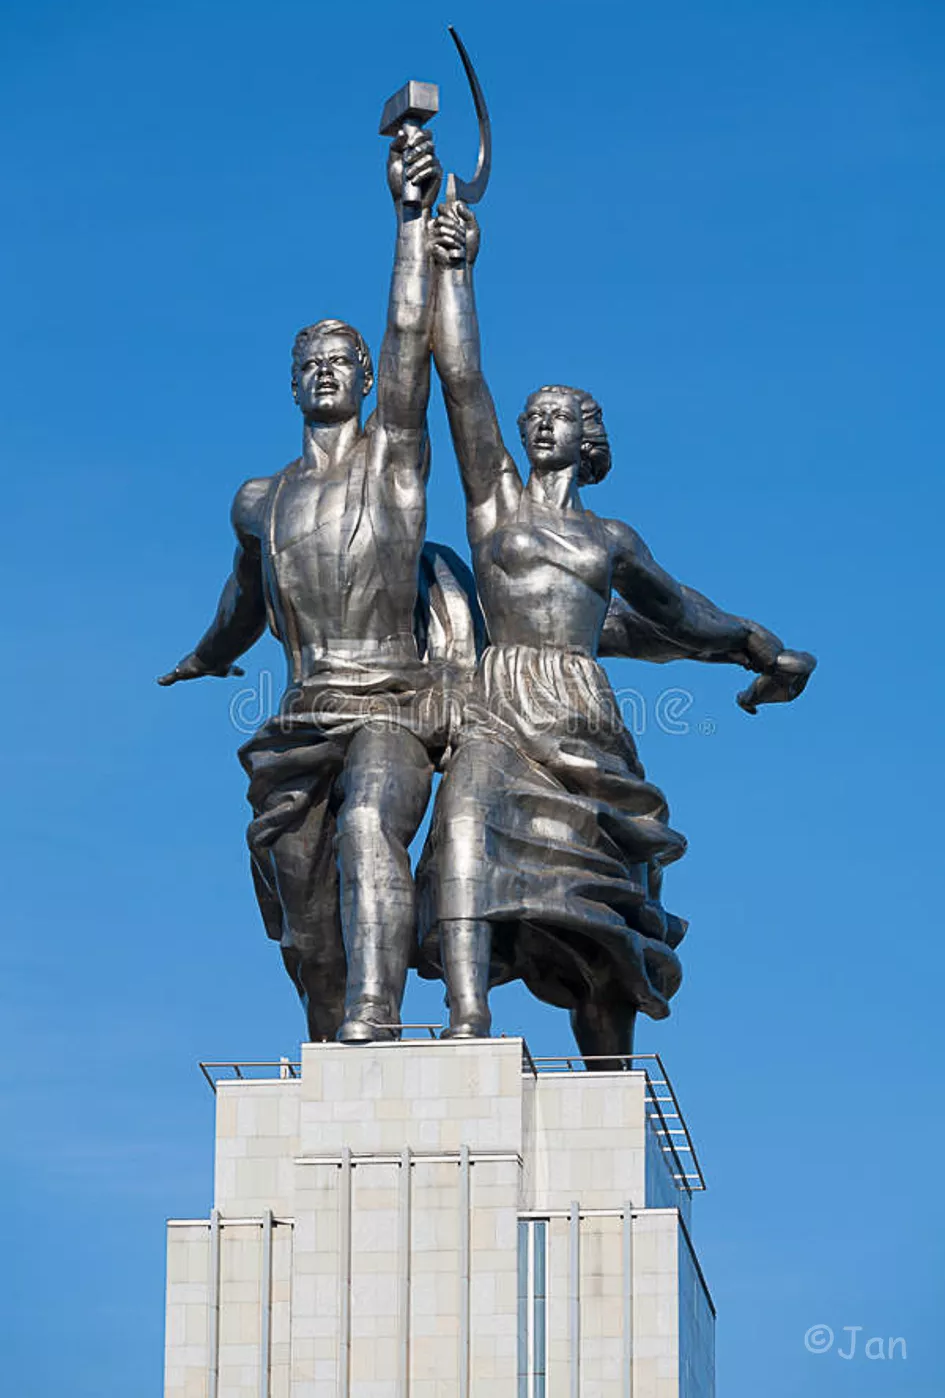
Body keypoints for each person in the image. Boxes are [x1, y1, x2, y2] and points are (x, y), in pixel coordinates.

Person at [418, 201, 814, 1061]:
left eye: (557, 412)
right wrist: (457, 271)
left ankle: (608, 1056)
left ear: (587, 439)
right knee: (462, 817)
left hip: (582, 710)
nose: (537, 421)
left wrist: (758, 648)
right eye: (533, 413)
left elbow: (678, 614)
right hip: (500, 699)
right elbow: (461, 382)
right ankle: (465, 1020)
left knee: (601, 891)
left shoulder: (610, 539)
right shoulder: (496, 507)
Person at [158, 128, 449, 1044]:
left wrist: (408, 220)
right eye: (309, 363)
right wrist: (208, 658)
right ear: (293, 385)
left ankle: (379, 1008)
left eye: (342, 360)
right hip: (299, 712)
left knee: (370, 822)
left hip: (391, 699)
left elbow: (411, 334)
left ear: (366, 381)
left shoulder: (393, 463)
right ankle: (333, 1027)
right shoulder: (260, 499)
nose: (327, 370)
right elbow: (244, 600)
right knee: (300, 900)